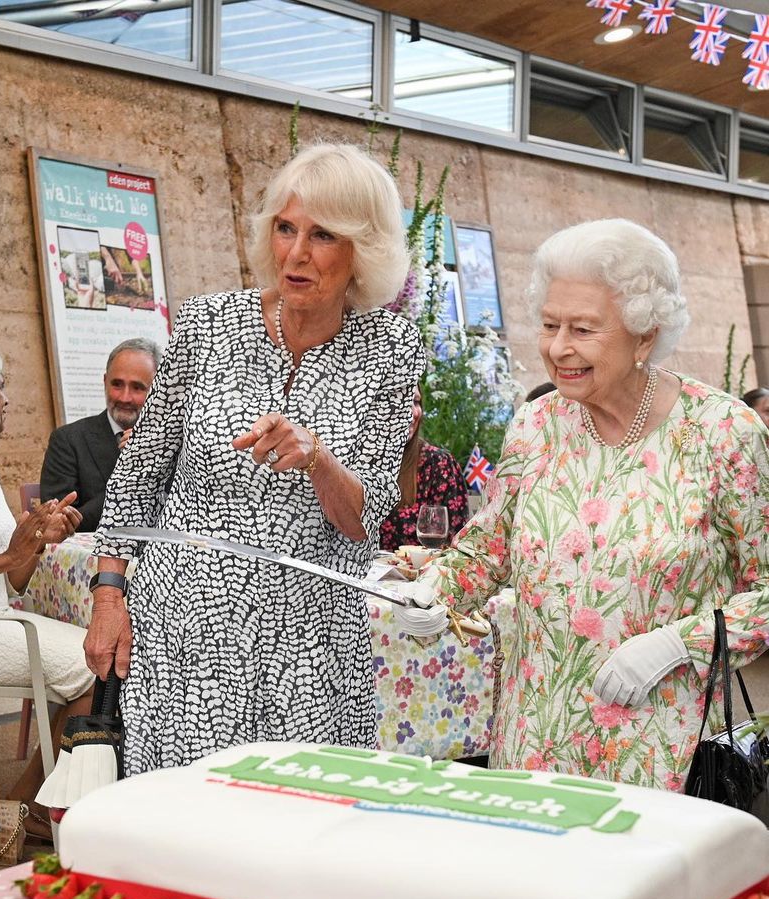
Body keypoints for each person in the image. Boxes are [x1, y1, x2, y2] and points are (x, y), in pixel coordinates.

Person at [85, 143, 427, 775]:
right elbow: (139, 476)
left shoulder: (393, 347)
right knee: (186, 823)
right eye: (285, 228)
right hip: (185, 630)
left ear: (364, 250)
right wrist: (109, 595)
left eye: (322, 235)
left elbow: (367, 518)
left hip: (312, 641)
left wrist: (319, 459)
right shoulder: (207, 324)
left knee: (295, 828)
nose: (295, 253)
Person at [398, 218, 769, 791]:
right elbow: (487, 550)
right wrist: (437, 590)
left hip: (661, 757)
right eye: (550, 325)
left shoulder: (723, 433)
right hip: (531, 744)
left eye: (583, 329)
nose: (558, 348)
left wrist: (677, 643)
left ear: (645, 335)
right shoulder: (536, 425)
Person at [0, 343, 94, 824]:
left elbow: (14, 582)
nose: (7, 400)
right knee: (93, 664)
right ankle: (29, 806)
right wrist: (11, 554)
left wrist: (37, 541)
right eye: (0, 387)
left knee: (98, 654)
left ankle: (33, 802)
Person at [39, 338, 160, 531]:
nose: (125, 397)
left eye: (137, 388)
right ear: (104, 382)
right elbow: (60, 525)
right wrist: (131, 472)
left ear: (157, 390)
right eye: (117, 384)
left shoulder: (173, 445)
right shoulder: (68, 441)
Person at [379, 386, 469, 549]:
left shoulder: (437, 464)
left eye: (416, 402)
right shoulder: (354, 461)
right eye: (405, 402)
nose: (414, 412)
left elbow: (456, 543)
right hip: (355, 573)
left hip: (420, 573)